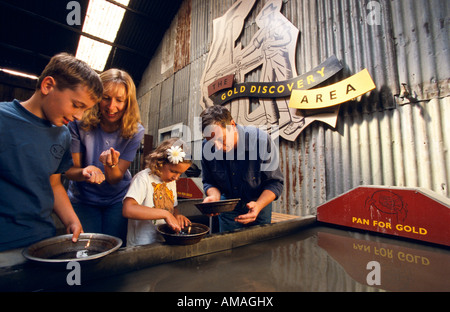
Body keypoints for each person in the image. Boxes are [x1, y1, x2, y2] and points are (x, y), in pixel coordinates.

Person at [0, 52, 103, 251]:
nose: (79, 116)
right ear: (48, 85)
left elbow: (54, 184)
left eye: (85, 110)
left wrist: (71, 220)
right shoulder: (3, 119)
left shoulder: (63, 135)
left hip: (41, 239)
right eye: (76, 105)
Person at [65, 69, 144, 242]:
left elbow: (115, 178)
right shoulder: (78, 122)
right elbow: (70, 170)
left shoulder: (135, 131)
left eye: (119, 100)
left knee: (113, 247)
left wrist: (110, 166)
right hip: (83, 198)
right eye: (106, 98)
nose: (111, 106)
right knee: (86, 248)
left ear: (128, 102)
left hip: (116, 199)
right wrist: (86, 171)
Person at [200, 105, 284, 232]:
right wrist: (214, 197)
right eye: (211, 142)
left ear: (232, 125)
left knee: (259, 246)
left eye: (221, 139)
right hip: (228, 206)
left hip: (258, 204)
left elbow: (275, 182)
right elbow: (209, 181)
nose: (216, 147)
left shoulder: (260, 141)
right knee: (229, 247)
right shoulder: (206, 147)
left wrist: (259, 205)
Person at [123, 138, 192, 246]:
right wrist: (165, 214)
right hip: (141, 245)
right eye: (173, 171)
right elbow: (128, 209)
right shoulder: (143, 178)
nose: (176, 177)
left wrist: (176, 216)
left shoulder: (171, 181)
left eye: (180, 174)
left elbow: (173, 207)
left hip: (163, 241)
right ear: (160, 162)